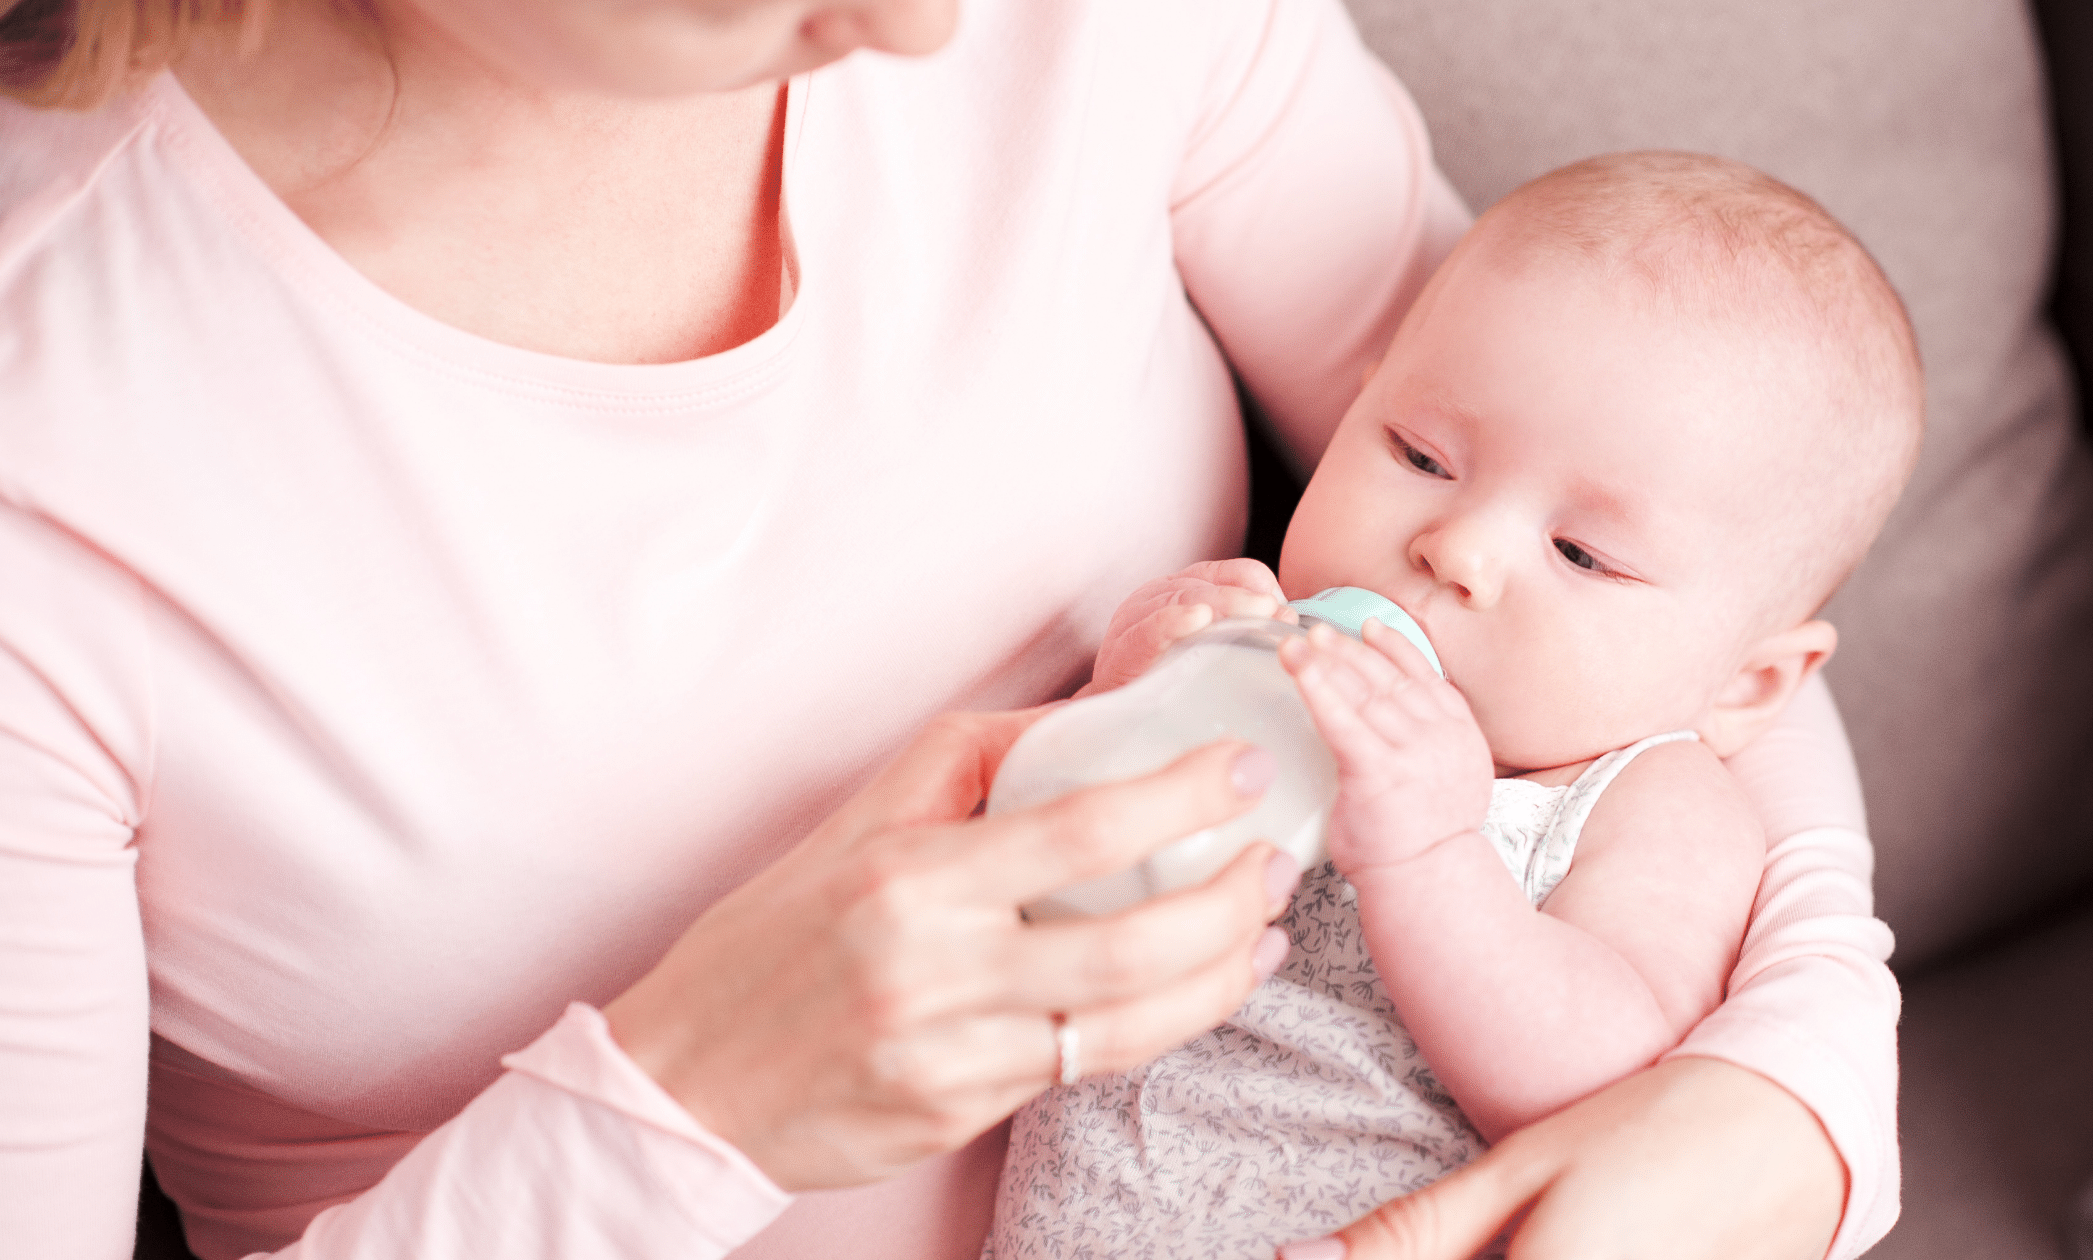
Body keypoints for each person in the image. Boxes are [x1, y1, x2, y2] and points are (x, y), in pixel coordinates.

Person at [0, 2, 1896, 1258]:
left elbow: (1665, 517)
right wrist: (690, 1100)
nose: (924, 27)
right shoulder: (57, 439)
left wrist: (1789, 1105)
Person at [986, 152, 1919, 1260]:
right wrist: (1127, 694)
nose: (1457, 548)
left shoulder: (1647, 801)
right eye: (1419, 454)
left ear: (1745, 685)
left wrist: (1429, 855)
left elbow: (1601, 1086)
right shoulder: (1256, 654)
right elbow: (1041, 885)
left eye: (1580, 551)